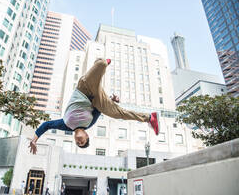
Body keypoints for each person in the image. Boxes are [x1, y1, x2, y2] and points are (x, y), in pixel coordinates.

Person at [29, 58, 159, 153]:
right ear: (87, 136)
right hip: (95, 99)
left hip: (83, 89)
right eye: (82, 142)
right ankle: (150, 117)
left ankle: (101, 64)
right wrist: (111, 101)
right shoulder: (89, 124)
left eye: (77, 143)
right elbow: (100, 108)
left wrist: (34, 140)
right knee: (118, 113)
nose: (79, 141)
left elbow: (46, 125)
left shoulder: (66, 125)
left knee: (101, 63)